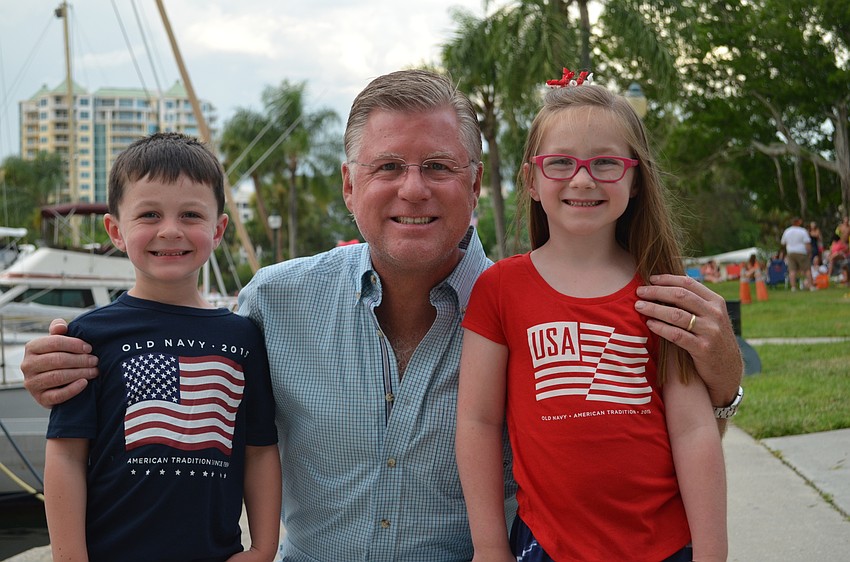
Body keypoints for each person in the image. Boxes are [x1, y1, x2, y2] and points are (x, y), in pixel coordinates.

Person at [21, 70, 743, 562]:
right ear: (348, 185)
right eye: (388, 167)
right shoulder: (273, 301)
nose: (413, 189)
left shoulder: (531, 304)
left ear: (474, 182)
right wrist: (66, 362)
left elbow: (640, 429)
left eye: (437, 166)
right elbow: (175, 367)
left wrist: (725, 383)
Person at [457, 81, 726, 561]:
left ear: (635, 179)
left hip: (663, 546)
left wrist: (712, 551)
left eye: (605, 162)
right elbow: (478, 421)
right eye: (560, 162)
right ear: (532, 182)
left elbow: (693, 431)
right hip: (547, 546)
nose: (582, 179)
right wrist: (489, 546)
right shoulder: (499, 290)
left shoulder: (663, 291)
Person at [42, 132, 281, 562]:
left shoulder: (244, 337)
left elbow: (260, 450)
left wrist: (264, 548)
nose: (170, 231)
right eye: (149, 214)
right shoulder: (87, 337)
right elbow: (66, 455)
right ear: (115, 230)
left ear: (218, 228)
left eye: (191, 215)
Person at [780, 217, 813, 291]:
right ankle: (811, 286)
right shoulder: (802, 231)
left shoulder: (787, 231)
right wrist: (809, 252)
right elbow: (807, 243)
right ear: (798, 222)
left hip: (790, 252)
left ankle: (793, 287)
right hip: (801, 252)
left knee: (792, 270)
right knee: (807, 269)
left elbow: (783, 242)